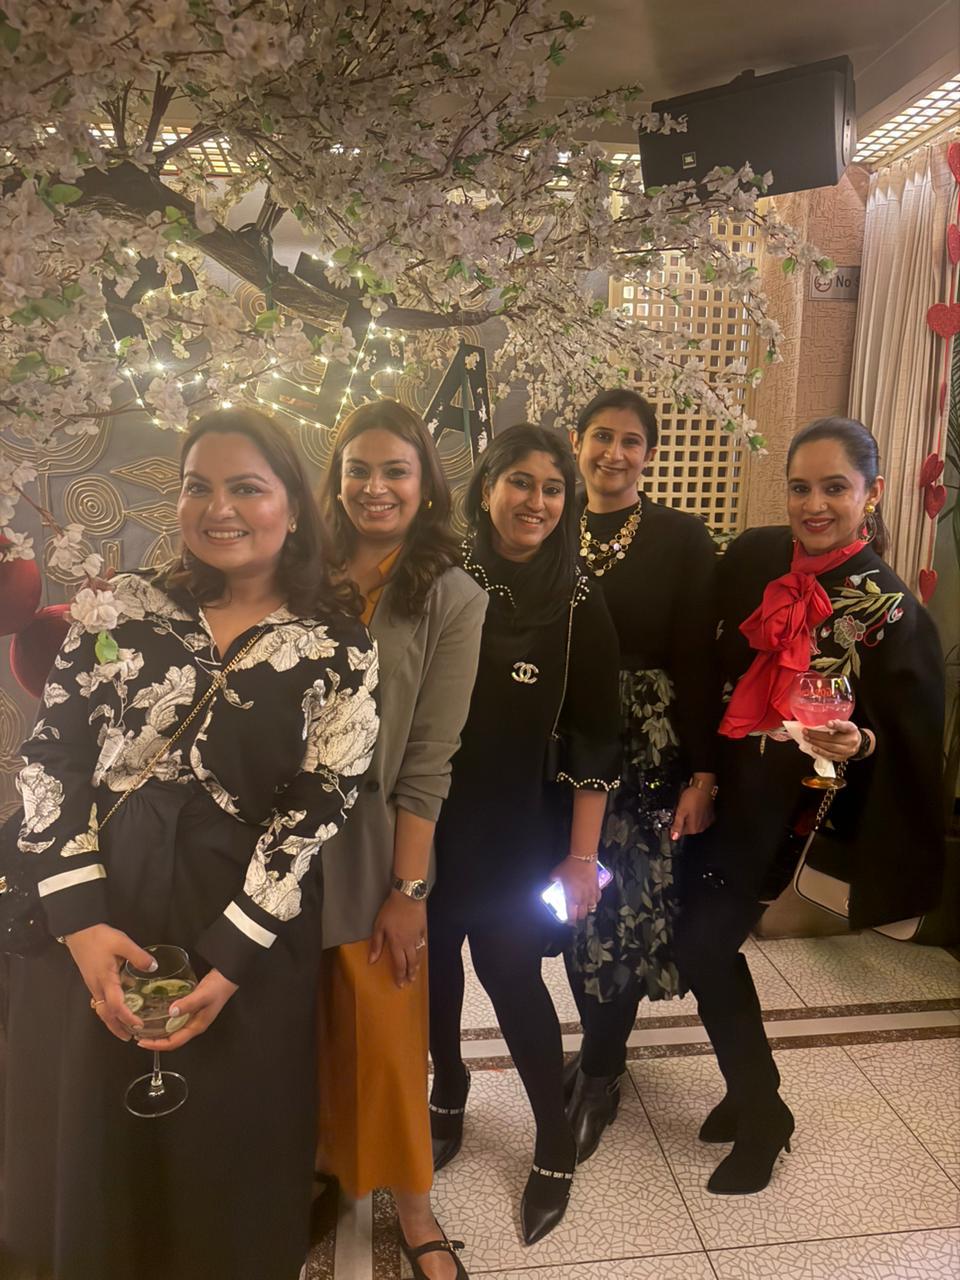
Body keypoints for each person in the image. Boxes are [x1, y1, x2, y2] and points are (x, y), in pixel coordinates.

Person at [4, 408, 379, 1280]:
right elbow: (53, 754)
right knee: (92, 1126)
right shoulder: (123, 607)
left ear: (293, 505)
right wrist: (80, 923)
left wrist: (232, 952)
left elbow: (320, 802)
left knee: (225, 1140)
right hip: (104, 894)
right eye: (197, 487)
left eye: (247, 487)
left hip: (244, 914)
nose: (219, 508)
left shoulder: (337, 643)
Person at [675, 416, 945, 1195]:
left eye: (835, 487)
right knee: (703, 944)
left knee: (704, 945)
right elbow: (707, 649)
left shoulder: (888, 606)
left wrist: (861, 741)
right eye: (801, 487)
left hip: (789, 807)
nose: (814, 505)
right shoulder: (757, 555)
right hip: (726, 779)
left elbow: (912, 729)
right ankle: (751, 1093)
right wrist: (699, 772)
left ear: (872, 493)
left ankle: (763, 1112)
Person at [427, 424, 620, 1246]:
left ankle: (552, 1139)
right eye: (519, 482)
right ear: (486, 489)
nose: (535, 501)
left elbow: (598, 739)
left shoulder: (578, 601)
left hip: (521, 824)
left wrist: (581, 857)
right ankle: (448, 1091)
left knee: (509, 975)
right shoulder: (441, 582)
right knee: (431, 972)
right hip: (431, 820)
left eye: (551, 487)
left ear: (565, 500)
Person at [315, 401, 486, 1280]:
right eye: (359, 469)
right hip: (272, 840)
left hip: (374, 845)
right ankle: (312, 1173)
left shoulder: (451, 597)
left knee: (385, 1035)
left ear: (425, 486)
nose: (374, 487)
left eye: (395, 471)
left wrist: (408, 891)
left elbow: (429, 758)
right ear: (336, 478)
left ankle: (415, 1209)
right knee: (292, 1029)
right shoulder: (296, 571)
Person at [562, 388, 720, 1162]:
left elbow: (699, 658)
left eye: (630, 441)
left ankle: (601, 1069)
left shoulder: (681, 538)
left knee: (621, 909)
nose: (614, 453)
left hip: (646, 750)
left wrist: (703, 771)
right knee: (567, 906)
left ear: (649, 454)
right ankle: (597, 1044)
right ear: (577, 442)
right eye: (601, 436)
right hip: (558, 742)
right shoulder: (549, 521)